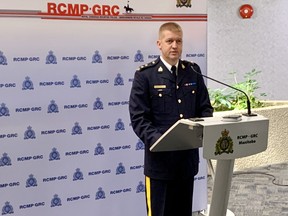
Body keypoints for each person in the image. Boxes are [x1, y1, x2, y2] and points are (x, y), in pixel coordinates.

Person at [129, 22, 213, 216]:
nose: (174, 45)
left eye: (179, 41)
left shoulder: (193, 71)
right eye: (169, 41)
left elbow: (205, 108)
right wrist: (162, 141)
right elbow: (139, 117)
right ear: (159, 44)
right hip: (160, 164)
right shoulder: (146, 75)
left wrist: (201, 131)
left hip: (186, 162)